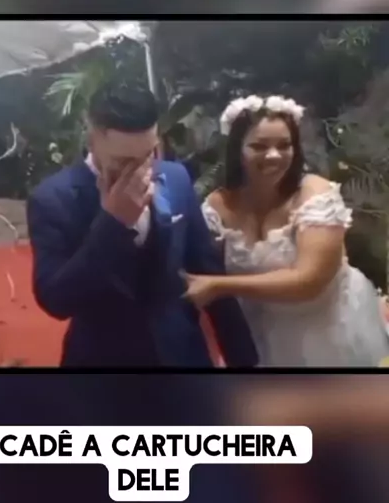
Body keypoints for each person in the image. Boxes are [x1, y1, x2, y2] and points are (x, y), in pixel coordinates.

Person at [27, 82, 256, 367]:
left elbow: (208, 269)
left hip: (183, 355)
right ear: (93, 136)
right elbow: (56, 301)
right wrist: (112, 224)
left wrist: (244, 359)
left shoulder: (175, 177)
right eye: (123, 161)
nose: (141, 170)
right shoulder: (54, 198)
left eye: (149, 154)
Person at [183, 94, 389, 367]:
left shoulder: (315, 194)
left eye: (284, 145)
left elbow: (310, 280)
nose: (273, 155)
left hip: (325, 332)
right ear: (237, 149)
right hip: (258, 336)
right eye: (259, 146)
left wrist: (219, 286)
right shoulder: (218, 205)